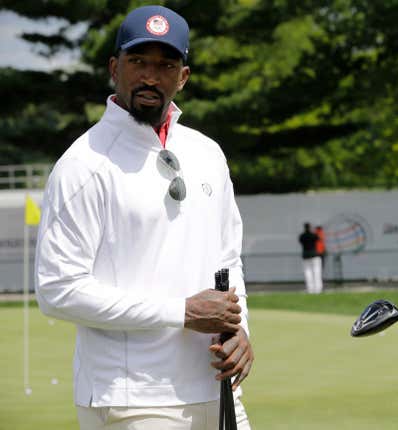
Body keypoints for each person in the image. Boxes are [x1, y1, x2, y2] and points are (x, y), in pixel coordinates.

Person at [34, 5, 253, 429]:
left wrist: (241, 332)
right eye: (138, 62)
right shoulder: (83, 164)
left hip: (218, 387)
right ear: (115, 68)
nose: (150, 77)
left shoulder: (207, 153)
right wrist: (181, 311)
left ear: (183, 77)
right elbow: (57, 289)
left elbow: (228, 260)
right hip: (133, 398)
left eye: (165, 64)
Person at [299, 222, 323, 294]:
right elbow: (320, 238)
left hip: (305, 256)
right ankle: (318, 289)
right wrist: (318, 230)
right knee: (317, 272)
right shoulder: (313, 235)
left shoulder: (302, 236)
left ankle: (310, 289)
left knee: (307, 272)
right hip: (314, 255)